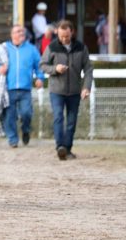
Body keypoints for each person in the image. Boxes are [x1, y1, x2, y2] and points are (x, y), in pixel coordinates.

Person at [40, 20, 93, 160]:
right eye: (61, 36)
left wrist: (86, 87)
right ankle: (60, 147)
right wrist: (54, 69)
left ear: (72, 32)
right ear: (57, 33)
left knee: (71, 121)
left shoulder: (81, 48)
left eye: (67, 36)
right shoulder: (52, 47)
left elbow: (88, 69)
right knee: (58, 117)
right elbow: (43, 65)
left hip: (75, 91)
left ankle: (67, 149)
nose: (64, 39)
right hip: (56, 91)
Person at [0, 25, 44, 148]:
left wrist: (40, 78)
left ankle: (25, 130)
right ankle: (13, 139)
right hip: (8, 88)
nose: (21, 33)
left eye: (22, 31)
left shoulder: (31, 49)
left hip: (26, 88)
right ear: (12, 34)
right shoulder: (3, 49)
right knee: (10, 116)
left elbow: (39, 65)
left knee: (26, 113)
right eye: (18, 31)